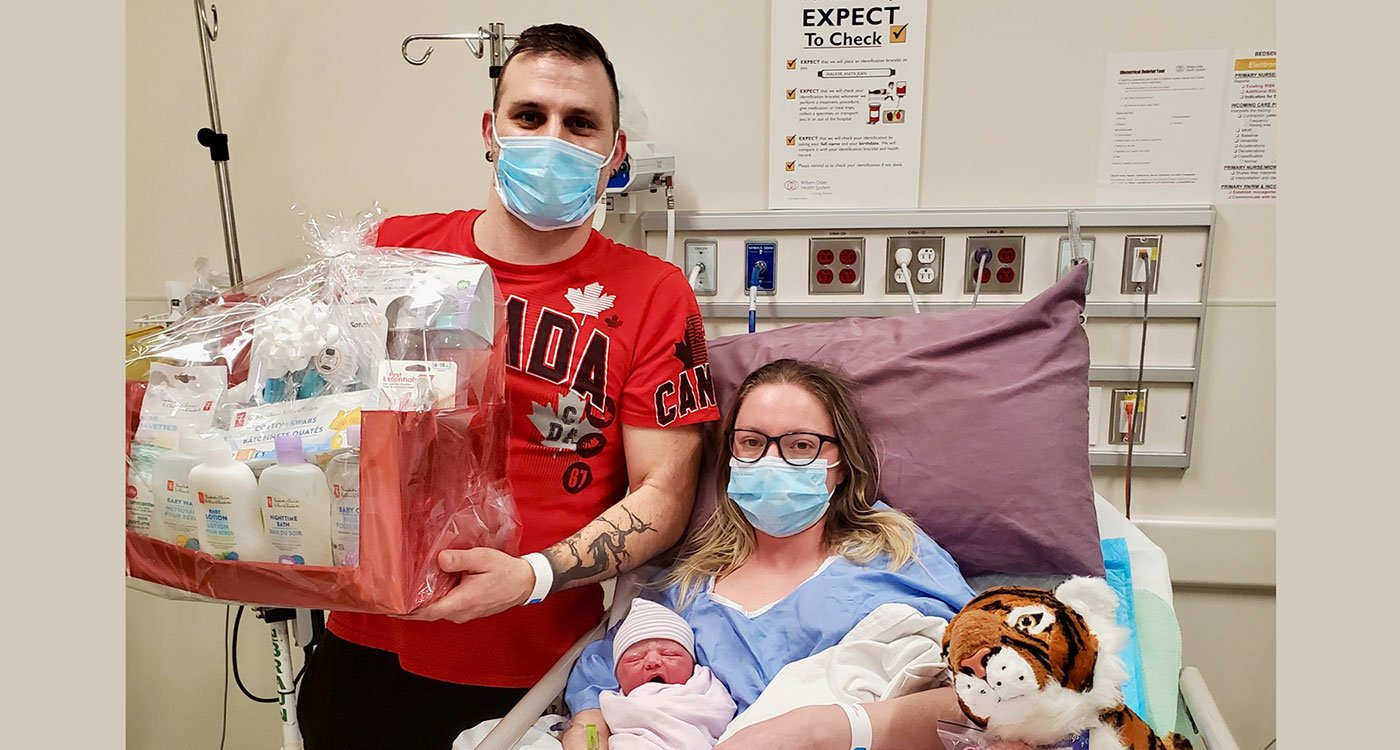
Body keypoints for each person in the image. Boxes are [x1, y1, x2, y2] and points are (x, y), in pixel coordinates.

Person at [296, 24, 719, 750]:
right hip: (367, 646)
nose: (552, 138)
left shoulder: (655, 294)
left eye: (580, 123)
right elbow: (308, 413)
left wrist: (529, 576)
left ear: (614, 153)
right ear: (491, 131)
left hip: (535, 672)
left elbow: (665, 495)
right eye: (530, 116)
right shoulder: (393, 255)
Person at [563, 359, 978, 750]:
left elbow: (992, 688)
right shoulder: (687, 590)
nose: (771, 461)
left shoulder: (896, 554)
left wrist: (821, 729)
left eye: (801, 445)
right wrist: (589, 732)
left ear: (842, 464)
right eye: (752, 442)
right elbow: (599, 685)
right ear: (730, 459)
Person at [597, 598, 736, 750]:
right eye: (635, 659)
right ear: (617, 675)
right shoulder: (613, 704)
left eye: (669, 654)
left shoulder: (706, 687)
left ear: (692, 663)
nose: (653, 661)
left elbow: (723, 713)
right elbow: (591, 733)